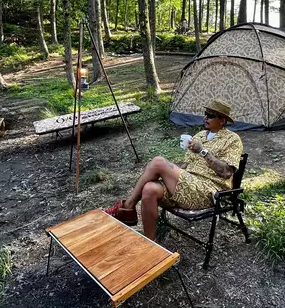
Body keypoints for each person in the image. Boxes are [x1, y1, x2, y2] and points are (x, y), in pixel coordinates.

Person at [104, 99, 243, 240]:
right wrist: (170, 174)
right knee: (150, 189)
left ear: (222, 120)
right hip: (188, 185)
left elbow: (226, 172)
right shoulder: (199, 136)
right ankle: (150, 243)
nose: (205, 118)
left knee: (159, 162)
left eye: (211, 115)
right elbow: (186, 166)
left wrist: (203, 151)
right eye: (205, 114)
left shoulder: (232, 139)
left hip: (208, 190)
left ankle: (128, 206)